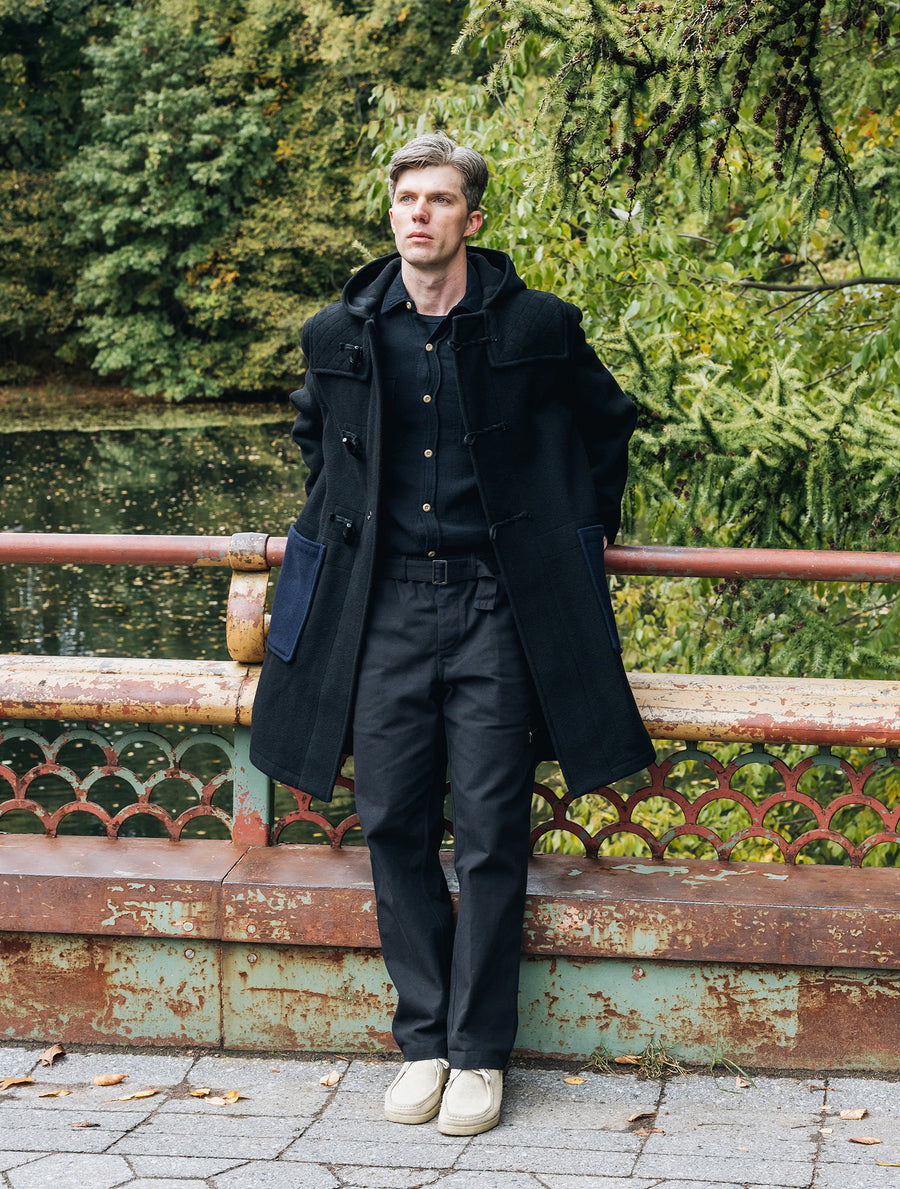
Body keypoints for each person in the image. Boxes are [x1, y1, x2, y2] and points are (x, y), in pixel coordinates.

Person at [250, 133, 654, 1135]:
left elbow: (609, 426)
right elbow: (317, 440)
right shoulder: (338, 332)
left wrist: (576, 532)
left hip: (495, 609)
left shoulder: (537, 326)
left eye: (437, 199)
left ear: (473, 216)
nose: (416, 214)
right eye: (403, 198)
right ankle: (422, 1039)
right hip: (382, 607)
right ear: (390, 211)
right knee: (389, 822)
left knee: (488, 833)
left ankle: (480, 1054)